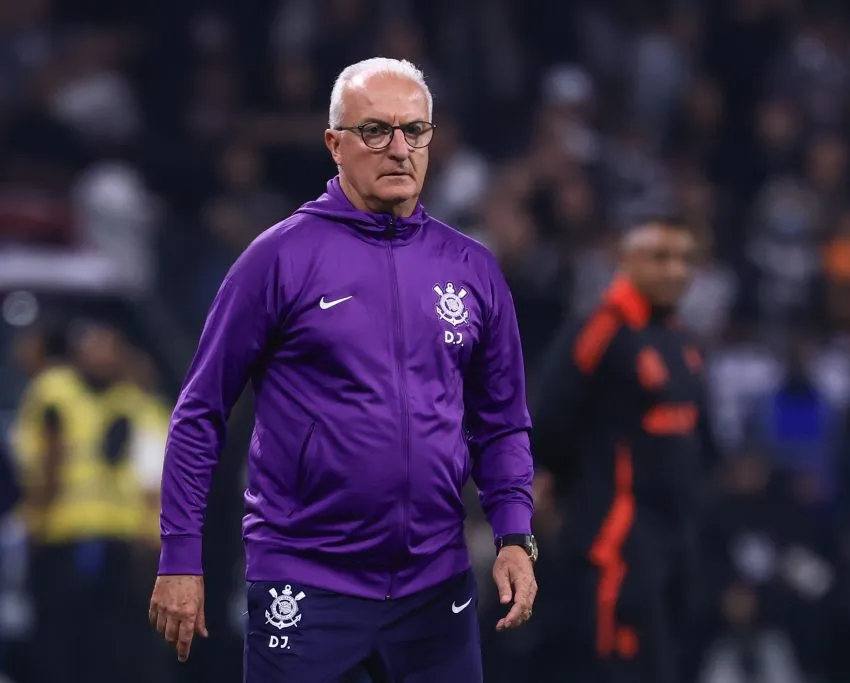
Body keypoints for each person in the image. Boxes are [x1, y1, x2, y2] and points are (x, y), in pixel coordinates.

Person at [148, 57, 538, 683]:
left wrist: (515, 536)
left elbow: (501, 423)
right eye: (376, 130)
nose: (399, 148)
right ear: (334, 144)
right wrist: (180, 558)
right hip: (306, 578)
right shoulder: (278, 258)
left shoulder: (472, 269)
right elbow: (200, 414)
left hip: (435, 585)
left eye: (415, 131)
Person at [530, 216, 719, 683]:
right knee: (618, 668)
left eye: (684, 259)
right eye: (660, 258)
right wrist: (565, 486)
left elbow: (703, 440)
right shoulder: (602, 329)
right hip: (616, 536)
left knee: (670, 662)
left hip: (677, 535)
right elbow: (548, 418)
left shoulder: (684, 341)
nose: (675, 271)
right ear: (627, 261)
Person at [12, 320, 148, 683]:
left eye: (109, 349)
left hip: (118, 536)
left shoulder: (130, 399)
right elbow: (42, 459)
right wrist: (37, 519)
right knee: (59, 641)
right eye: (94, 349)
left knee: (111, 644)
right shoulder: (55, 392)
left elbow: (152, 473)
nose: (101, 357)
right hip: (62, 532)